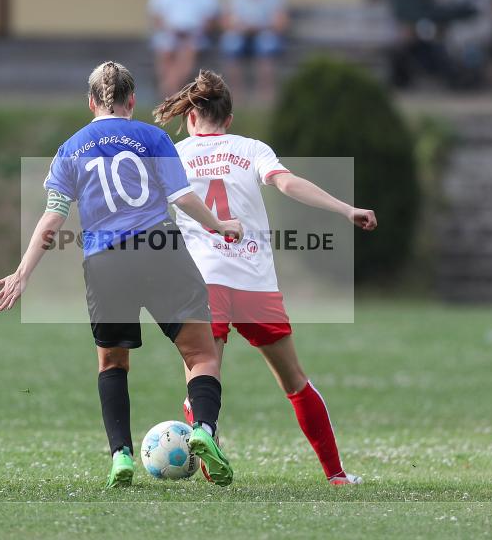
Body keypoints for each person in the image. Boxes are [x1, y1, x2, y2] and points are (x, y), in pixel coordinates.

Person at [0, 62, 241, 489]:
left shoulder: (71, 148)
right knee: (200, 355)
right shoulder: (155, 137)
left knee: (112, 362)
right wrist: (221, 225)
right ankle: (203, 429)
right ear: (132, 101)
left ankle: (121, 457)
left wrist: (22, 272)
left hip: (105, 262)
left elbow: (53, 220)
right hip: (162, 250)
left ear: (90, 103)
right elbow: (183, 198)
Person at [153, 70, 377, 486]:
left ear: (190, 116)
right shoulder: (251, 149)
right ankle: (337, 475)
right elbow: (287, 183)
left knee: (204, 372)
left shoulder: (175, 155)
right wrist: (346, 209)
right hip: (254, 281)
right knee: (295, 381)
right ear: (230, 117)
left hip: (204, 281)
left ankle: (204, 433)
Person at [147, 0, 219, 97]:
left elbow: (212, 21)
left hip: (196, 35)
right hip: (169, 33)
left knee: (187, 51)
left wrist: (194, 32)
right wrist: (171, 30)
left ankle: (168, 92)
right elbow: (156, 16)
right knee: (165, 50)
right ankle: (172, 92)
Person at [220, 0, 288, 104]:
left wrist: (261, 26)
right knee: (231, 43)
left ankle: (265, 94)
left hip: (264, 32)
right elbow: (225, 22)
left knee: (267, 44)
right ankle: (236, 95)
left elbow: (281, 23)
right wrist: (241, 27)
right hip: (240, 34)